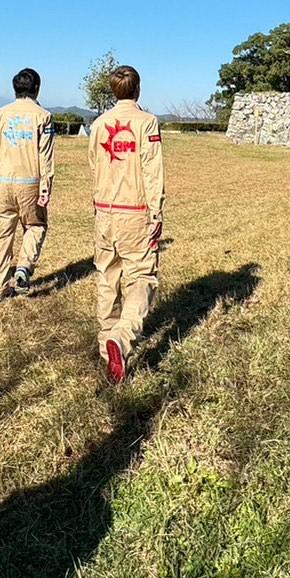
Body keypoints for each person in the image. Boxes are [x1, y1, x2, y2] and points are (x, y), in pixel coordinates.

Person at [87, 64, 165, 383]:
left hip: (104, 210)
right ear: (138, 89)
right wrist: (156, 212)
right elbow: (153, 170)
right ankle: (120, 338)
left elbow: (93, 166)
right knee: (142, 278)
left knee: (107, 277)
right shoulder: (147, 123)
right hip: (135, 211)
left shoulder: (99, 123)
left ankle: (107, 352)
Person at [0, 68, 55, 301]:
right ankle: (24, 267)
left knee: (0, 237)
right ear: (37, 88)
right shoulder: (43, 116)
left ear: (15, 88)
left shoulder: (0, 114)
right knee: (36, 225)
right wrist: (46, 186)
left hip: (2, 183)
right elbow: (46, 156)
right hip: (30, 183)